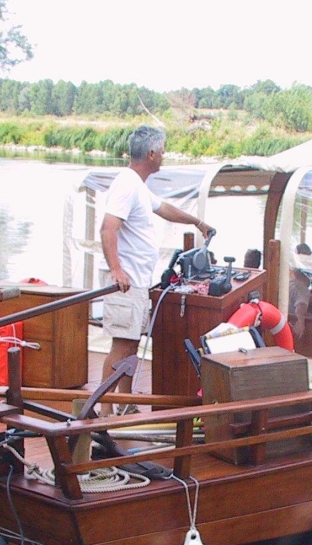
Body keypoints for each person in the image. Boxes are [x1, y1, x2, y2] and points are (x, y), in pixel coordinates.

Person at [100, 125, 213, 411]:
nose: (163, 155)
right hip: (125, 282)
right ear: (151, 153)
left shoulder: (138, 186)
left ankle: (125, 404)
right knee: (122, 346)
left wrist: (196, 222)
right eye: (162, 150)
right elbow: (108, 229)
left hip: (137, 281)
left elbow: (164, 209)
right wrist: (116, 270)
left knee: (131, 344)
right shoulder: (126, 185)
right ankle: (101, 411)